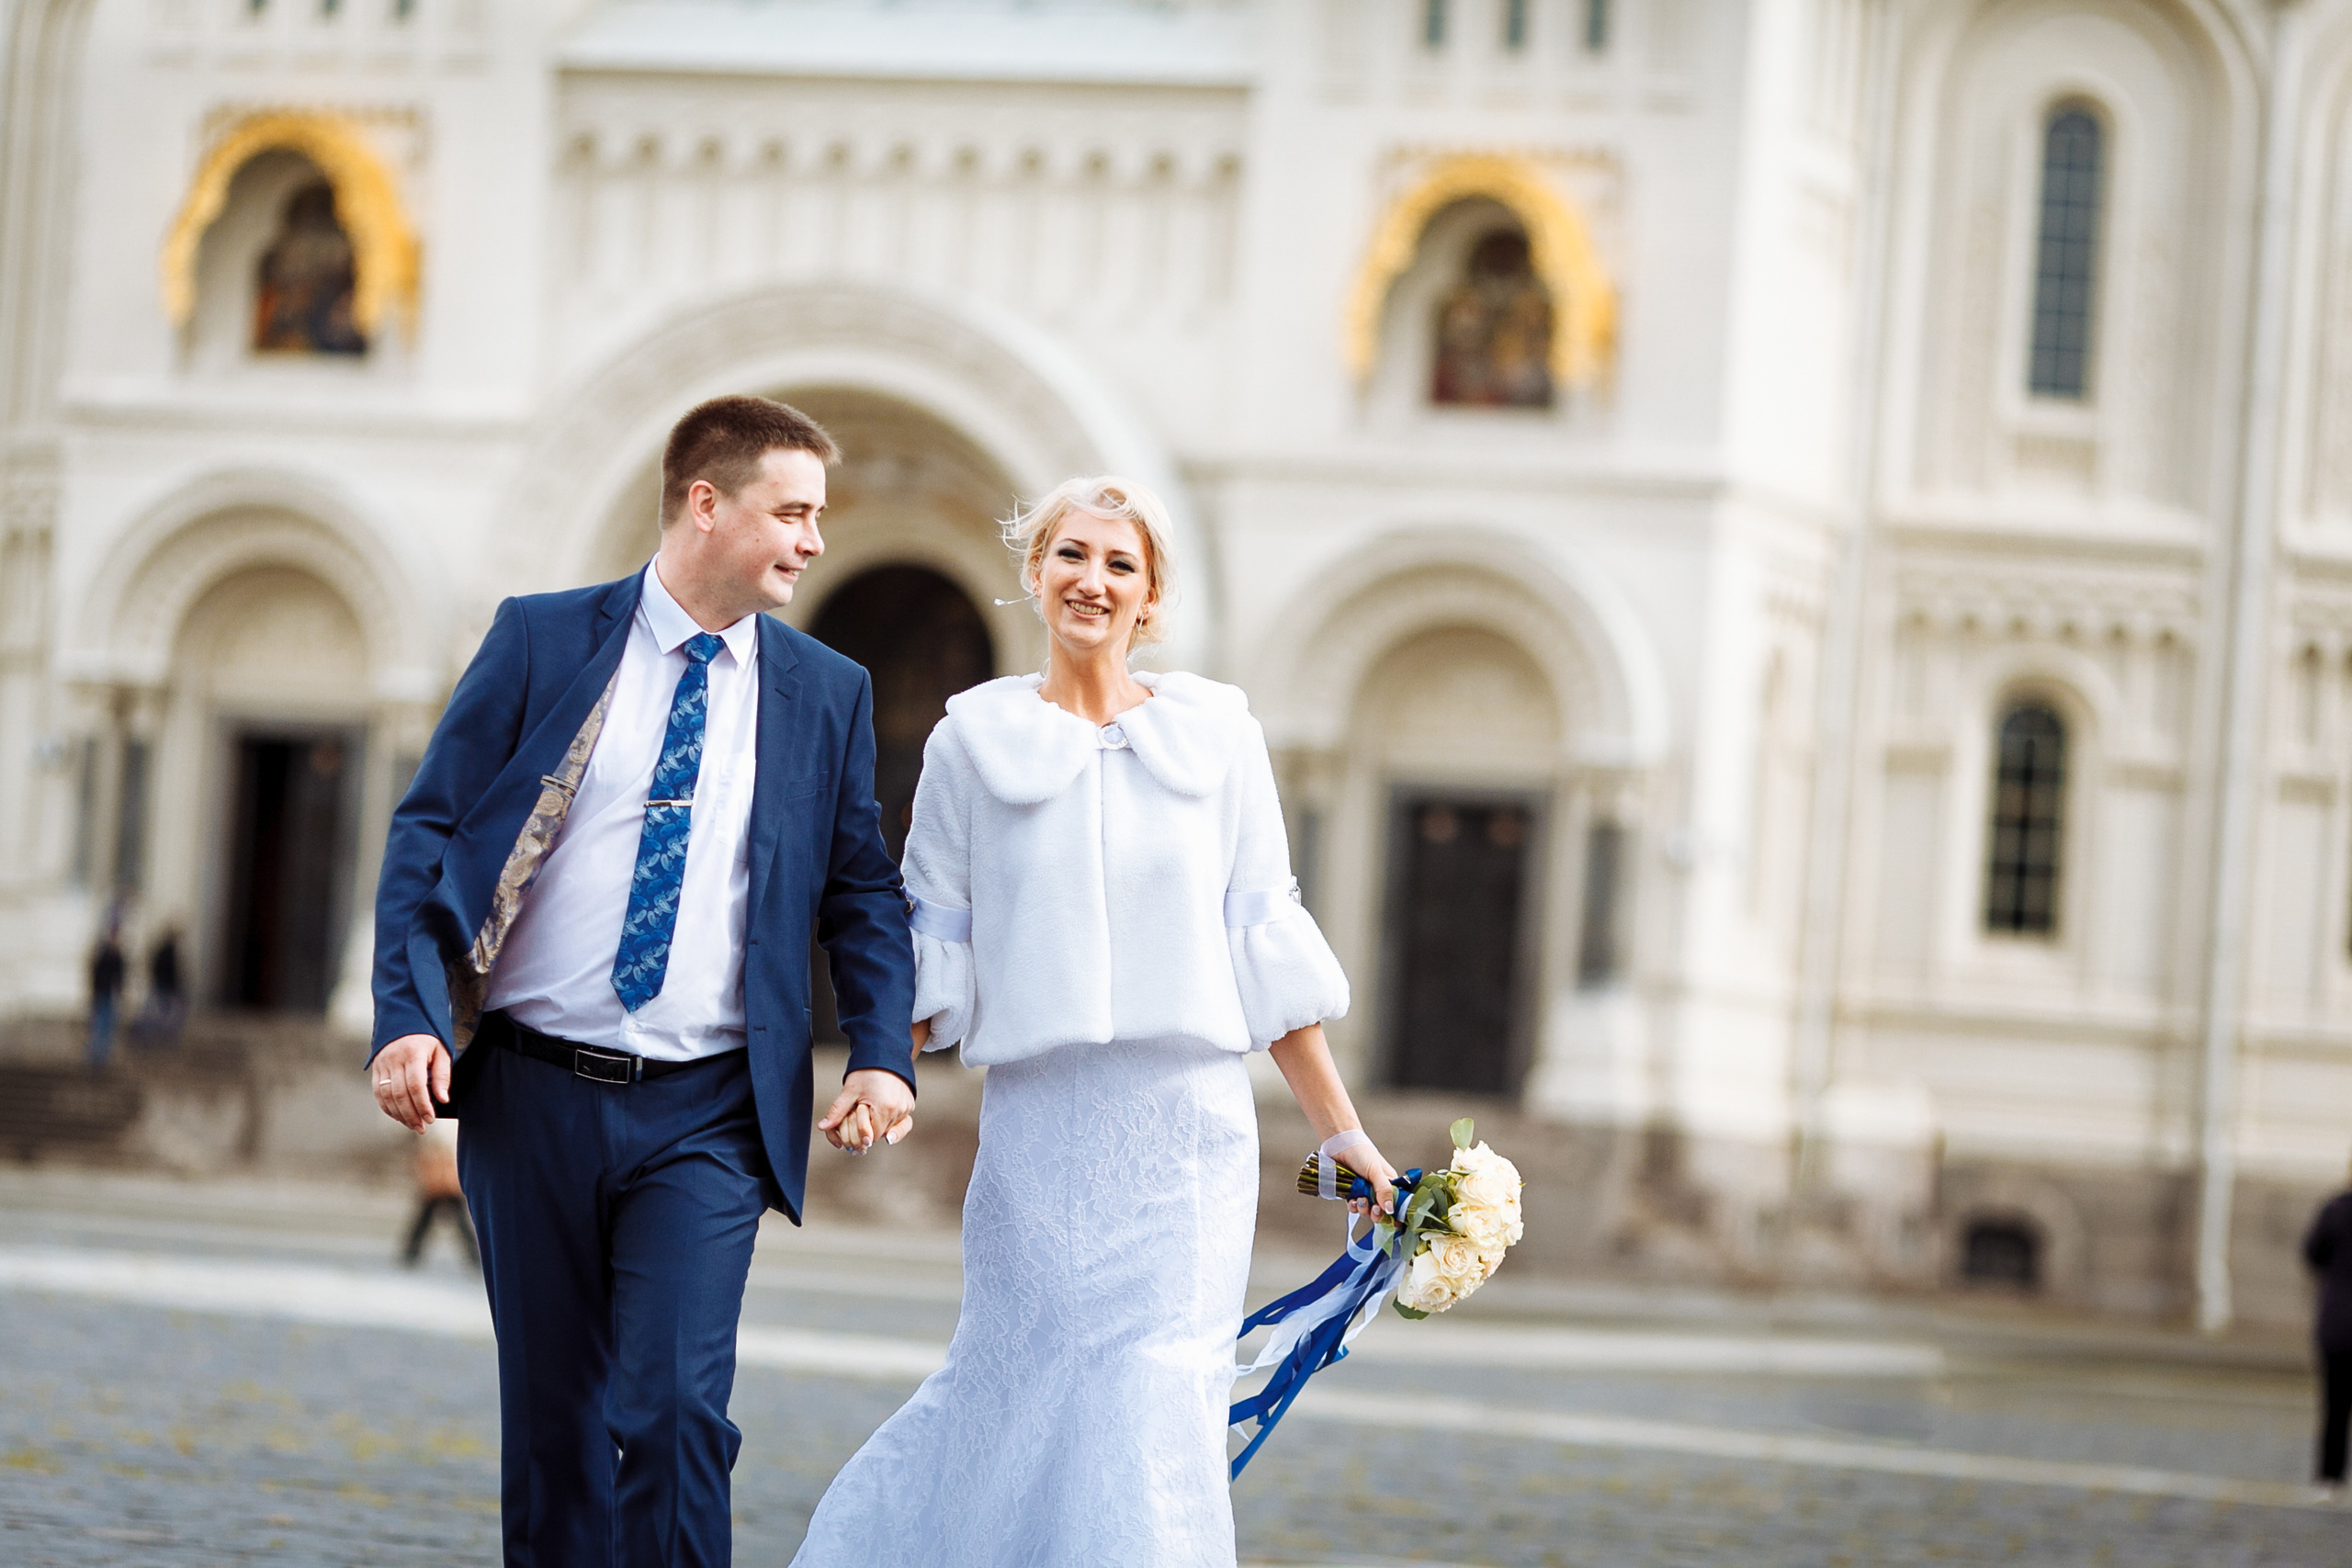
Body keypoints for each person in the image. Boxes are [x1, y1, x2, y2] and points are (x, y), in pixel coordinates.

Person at [792, 477, 1398, 1568]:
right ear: (1034, 574)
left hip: (1189, 1132)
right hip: (1044, 1130)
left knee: (1161, 1394)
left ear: (1150, 597)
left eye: (1121, 565)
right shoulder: (968, 744)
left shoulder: (1221, 739)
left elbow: (1262, 937)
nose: (1093, 580)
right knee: (1017, 1377)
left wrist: (1337, 1130)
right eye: (1072, 555)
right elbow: (933, 938)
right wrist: (885, 1071)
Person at [368, 394, 918, 1568]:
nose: (816, 541)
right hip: (528, 1095)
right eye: (794, 512)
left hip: (706, 1111)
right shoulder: (541, 639)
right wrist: (409, 1019)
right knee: (556, 1425)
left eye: (820, 517)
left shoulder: (827, 691)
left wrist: (879, 1048)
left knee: (672, 1412)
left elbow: (860, 889)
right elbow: (432, 835)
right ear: (705, 505)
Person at [2303, 1164, 2352, 1486]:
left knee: (2335, 1406)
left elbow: (2311, 1254)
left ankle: (2328, 1478)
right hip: (2338, 1319)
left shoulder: (2336, 1209)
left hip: (2337, 1321)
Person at [401, 1116, 475, 1268]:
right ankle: (411, 1253)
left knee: (453, 1220)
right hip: (441, 1177)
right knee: (428, 1218)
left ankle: (411, 1253)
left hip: (447, 1176)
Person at [134, 924, 186, 1052]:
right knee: (159, 1013)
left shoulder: (163, 950)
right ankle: (153, 1038)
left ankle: (152, 1037)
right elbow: (171, 971)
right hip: (164, 986)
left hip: (161, 985)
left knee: (157, 1013)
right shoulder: (168, 951)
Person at [86, 924, 126, 1073]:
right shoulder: (104, 955)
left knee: (107, 1029)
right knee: (99, 1028)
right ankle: (94, 1059)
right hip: (102, 995)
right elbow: (95, 975)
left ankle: (102, 1060)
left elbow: (120, 977)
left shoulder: (116, 956)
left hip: (109, 995)